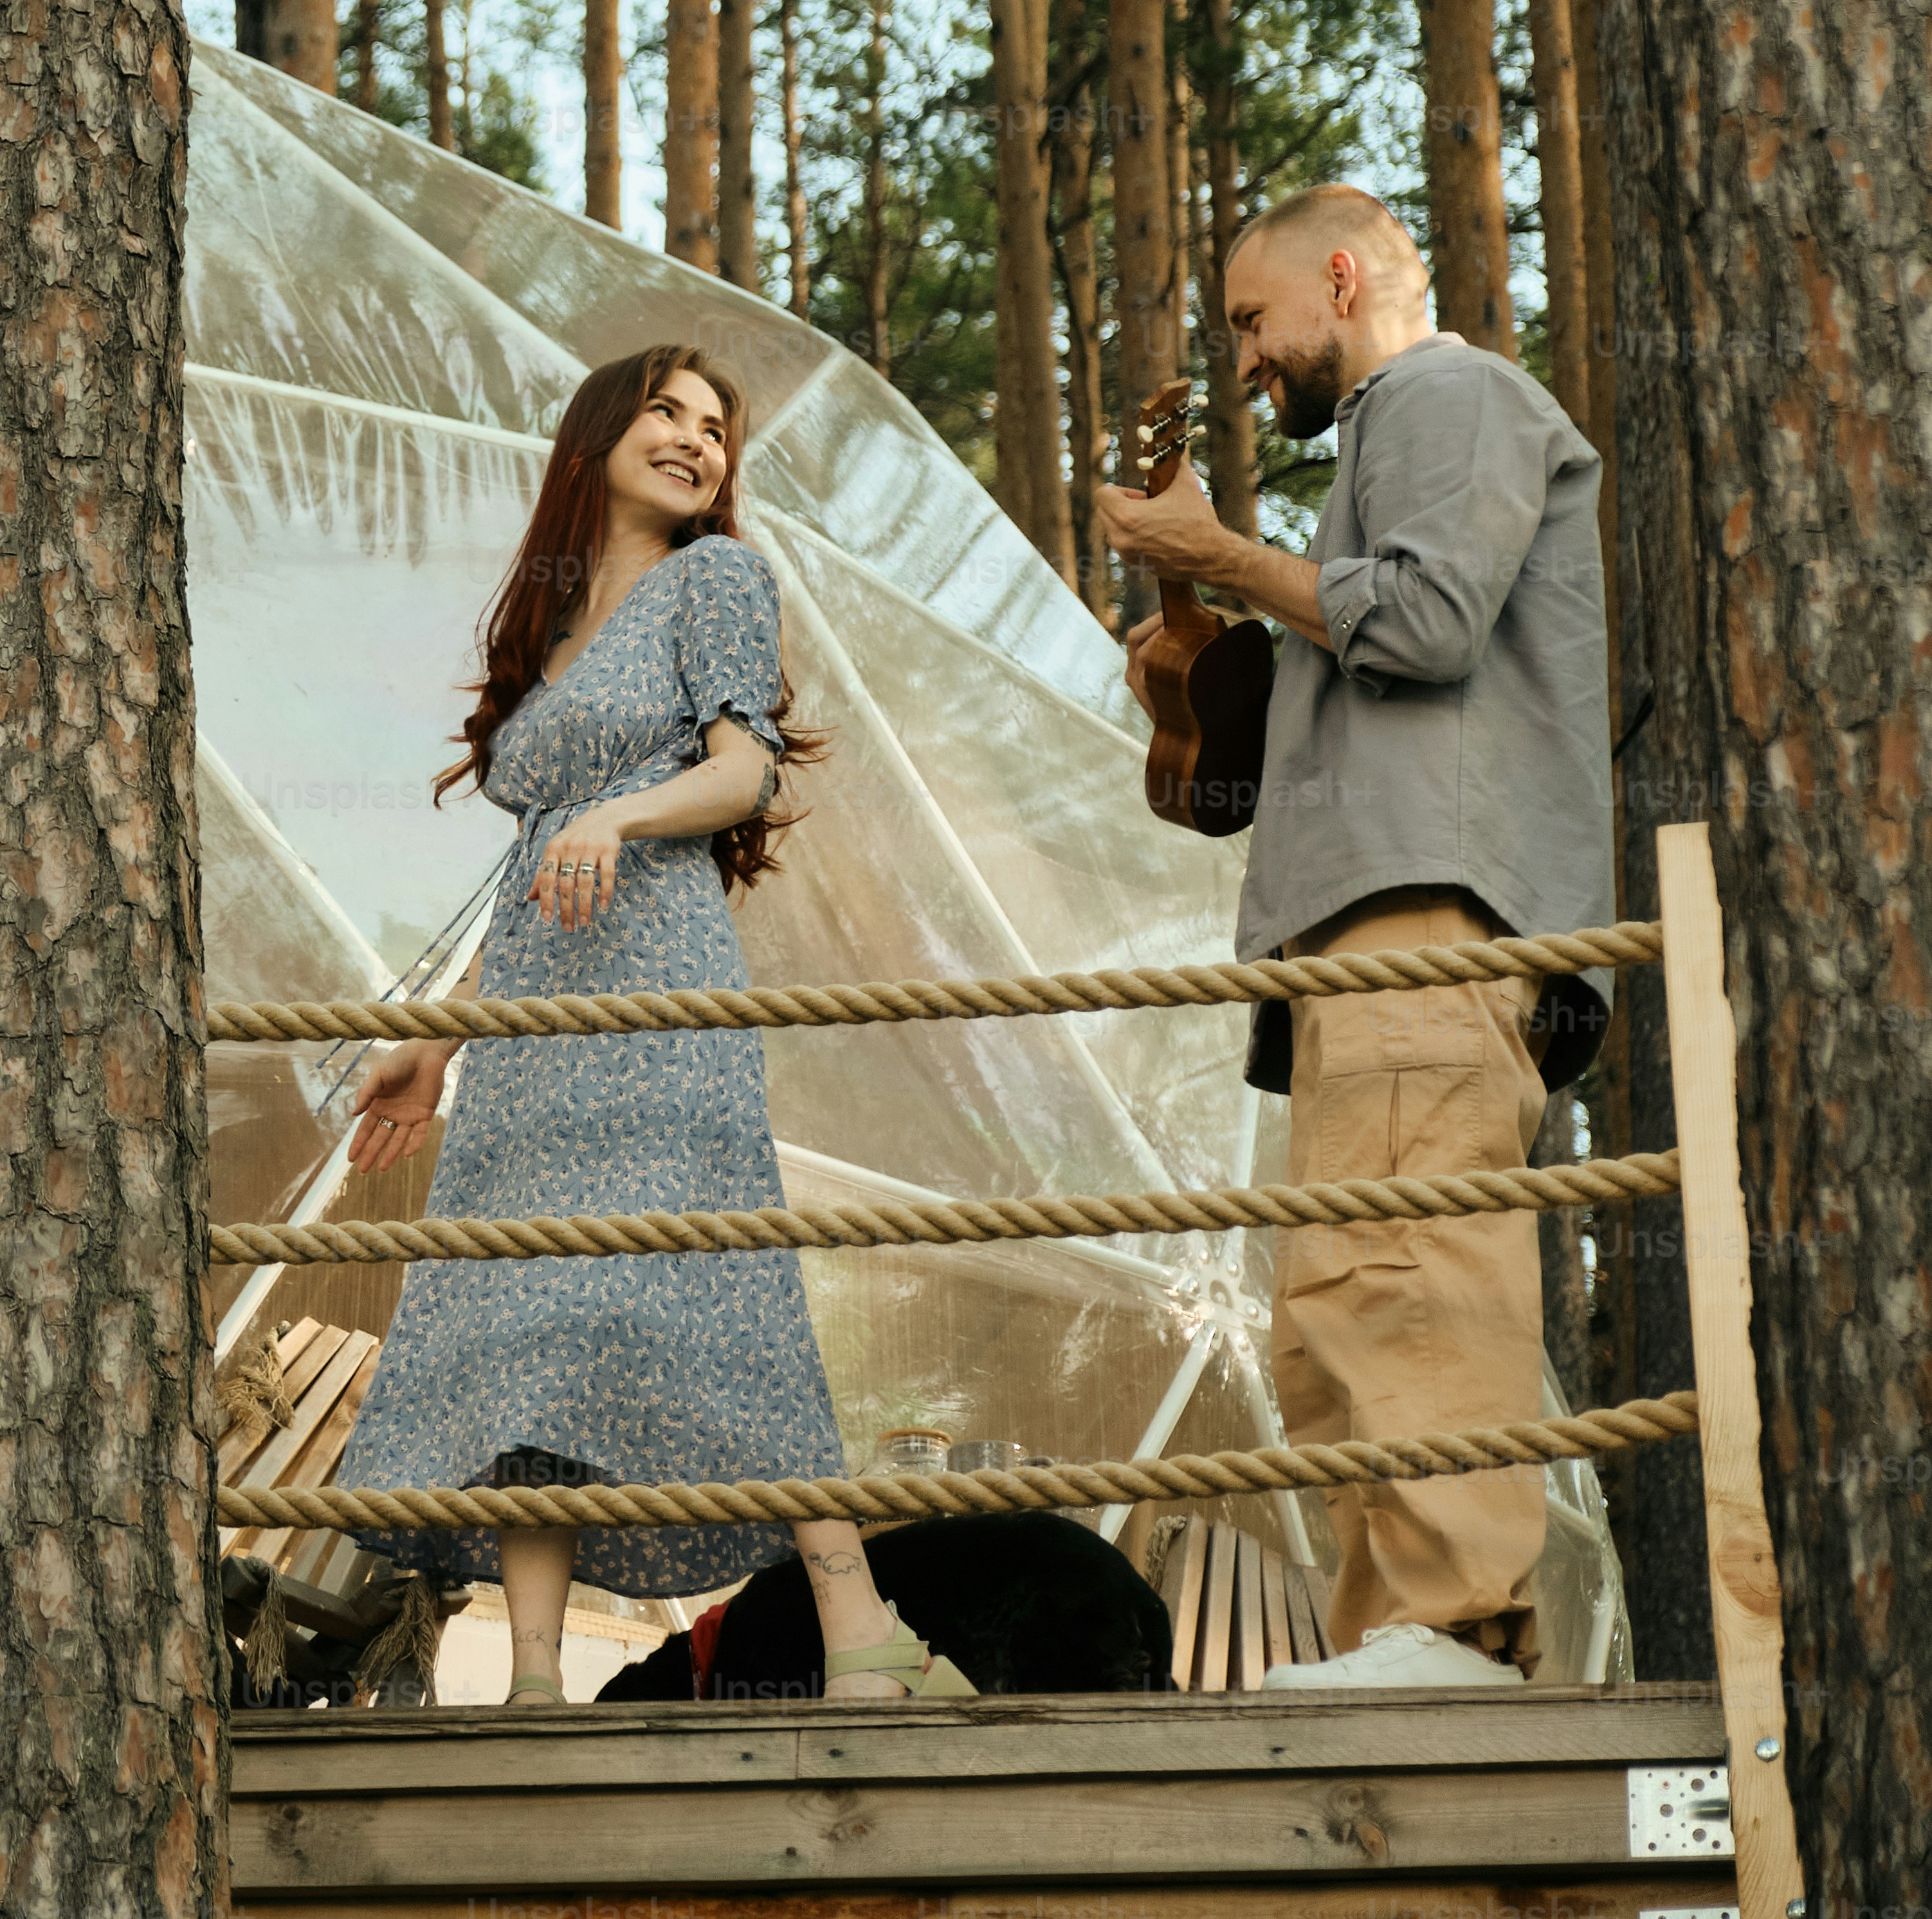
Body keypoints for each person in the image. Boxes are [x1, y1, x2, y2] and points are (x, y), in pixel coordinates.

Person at [335, 345, 967, 1705]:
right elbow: (533, 869)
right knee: (528, 1323)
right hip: (530, 1032)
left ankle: (860, 1633)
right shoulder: (552, 624)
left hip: (660, 989)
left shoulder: (716, 578)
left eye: (715, 428)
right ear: (597, 435)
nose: (694, 439)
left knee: (723, 1293)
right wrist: (437, 1042)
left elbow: (743, 774)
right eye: (665, 413)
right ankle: (531, 1680)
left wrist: (618, 815)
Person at [1095, 183, 1609, 1691]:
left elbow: (1429, 623)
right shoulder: (1382, 452)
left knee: (1406, 1278)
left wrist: (1221, 553)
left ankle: (1451, 1632)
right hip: (1362, 937)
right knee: (1339, 1314)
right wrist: (1200, 674)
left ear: (1338, 277)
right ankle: (1403, 1641)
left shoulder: (1443, 395)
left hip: (1423, 926)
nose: (1245, 360)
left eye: (1251, 320)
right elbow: (1339, 713)